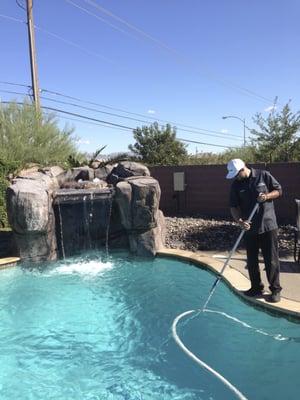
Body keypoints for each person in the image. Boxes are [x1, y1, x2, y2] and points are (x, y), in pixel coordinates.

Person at [226, 159, 282, 303]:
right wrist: (240, 222)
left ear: (243, 168)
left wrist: (266, 196)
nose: (236, 177)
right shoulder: (236, 185)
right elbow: (233, 207)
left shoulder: (263, 175)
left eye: (237, 174)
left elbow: (279, 191)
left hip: (268, 225)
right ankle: (256, 287)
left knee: (271, 260)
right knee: (251, 261)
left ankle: (275, 290)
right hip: (249, 227)